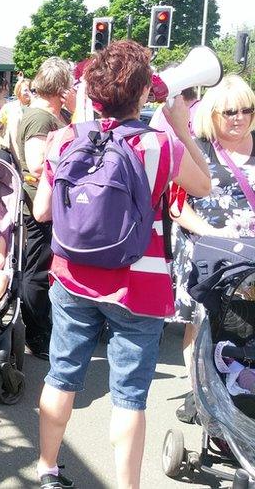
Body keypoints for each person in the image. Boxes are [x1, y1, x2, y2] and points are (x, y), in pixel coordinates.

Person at [30, 40, 211, 489]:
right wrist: (180, 128)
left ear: (91, 94)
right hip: (139, 285)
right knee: (130, 397)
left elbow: (41, 213)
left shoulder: (65, 139)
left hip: (71, 276)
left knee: (62, 374)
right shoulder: (159, 145)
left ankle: (47, 468)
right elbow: (203, 185)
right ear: (144, 94)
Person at [169, 75, 255, 423]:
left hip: (251, 256)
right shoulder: (198, 149)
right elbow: (177, 205)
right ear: (212, 113)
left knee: (245, 328)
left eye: (246, 110)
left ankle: (240, 389)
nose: (239, 117)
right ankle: (202, 396)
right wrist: (213, 233)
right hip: (207, 254)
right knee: (202, 325)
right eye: (229, 111)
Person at [9, 57, 75, 359]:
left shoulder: (45, 116)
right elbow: (36, 164)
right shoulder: (40, 118)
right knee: (35, 273)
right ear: (60, 88)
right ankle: (36, 335)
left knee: (39, 271)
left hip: (45, 205)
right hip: (40, 207)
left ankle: (39, 330)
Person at [0, 78, 32, 150]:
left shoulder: (37, 108)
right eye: (26, 90)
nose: (29, 93)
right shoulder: (8, 108)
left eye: (31, 90)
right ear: (18, 91)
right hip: (12, 151)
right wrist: (4, 143)